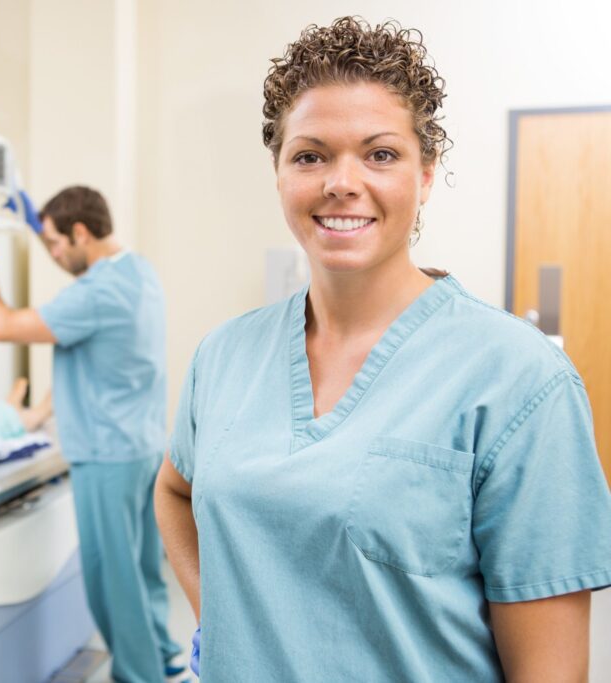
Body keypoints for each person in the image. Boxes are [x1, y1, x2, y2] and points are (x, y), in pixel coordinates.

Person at [155, 16, 611, 681]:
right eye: (310, 154)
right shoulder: (225, 355)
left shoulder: (518, 379)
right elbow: (173, 491)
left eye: (380, 154)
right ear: (280, 173)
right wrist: (222, 622)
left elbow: (549, 671)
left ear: (425, 174)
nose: (341, 181)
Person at [0, 186, 186, 683]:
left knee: (112, 579)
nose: (56, 255)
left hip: (106, 454)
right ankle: (167, 660)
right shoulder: (137, 271)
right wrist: (37, 227)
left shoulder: (95, 293)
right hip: (144, 445)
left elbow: (1, 325)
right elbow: (92, 353)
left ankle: (138, 675)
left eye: (56, 244)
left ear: (80, 232)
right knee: (144, 567)